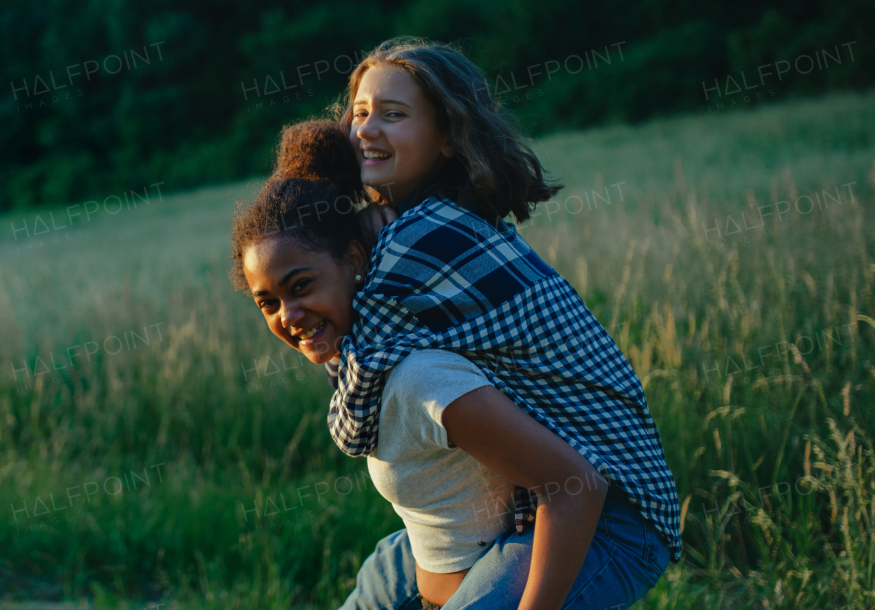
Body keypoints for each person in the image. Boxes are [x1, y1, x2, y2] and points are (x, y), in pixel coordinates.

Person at [231, 118, 673, 609]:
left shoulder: (420, 376)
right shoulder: (362, 360)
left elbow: (574, 486)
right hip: (419, 562)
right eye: (266, 302)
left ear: (355, 261)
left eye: (301, 287)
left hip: (579, 537)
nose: (288, 316)